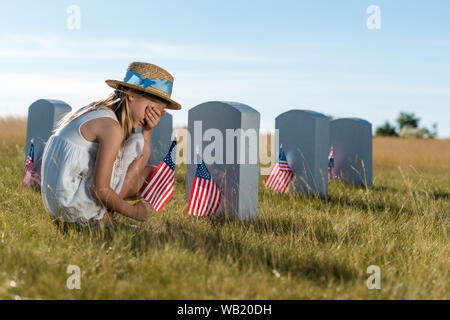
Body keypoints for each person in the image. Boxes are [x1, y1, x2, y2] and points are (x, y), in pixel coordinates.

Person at [40, 62, 181, 226]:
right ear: (132, 93)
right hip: (70, 208)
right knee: (142, 162)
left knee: (150, 173)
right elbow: (100, 190)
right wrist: (134, 212)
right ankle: (96, 216)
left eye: (158, 113)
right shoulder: (112, 128)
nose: (152, 116)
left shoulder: (98, 110)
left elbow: (141, 159)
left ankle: (101, 213)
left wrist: (147, 131)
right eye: (151, 109)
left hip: (57, 201)